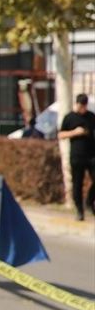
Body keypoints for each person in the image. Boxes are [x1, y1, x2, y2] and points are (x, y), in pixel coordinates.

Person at [58, 93, 95, 221]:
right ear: (77, 104)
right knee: (77, 184)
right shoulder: (69, 117)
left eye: (85, 106)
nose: (83, 109)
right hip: (77, 155)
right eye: (81, 106)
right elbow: (61, 135)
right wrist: (75, 132)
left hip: (91, 155)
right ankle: (79, 210)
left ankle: (89, 201)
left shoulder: (91, 117)